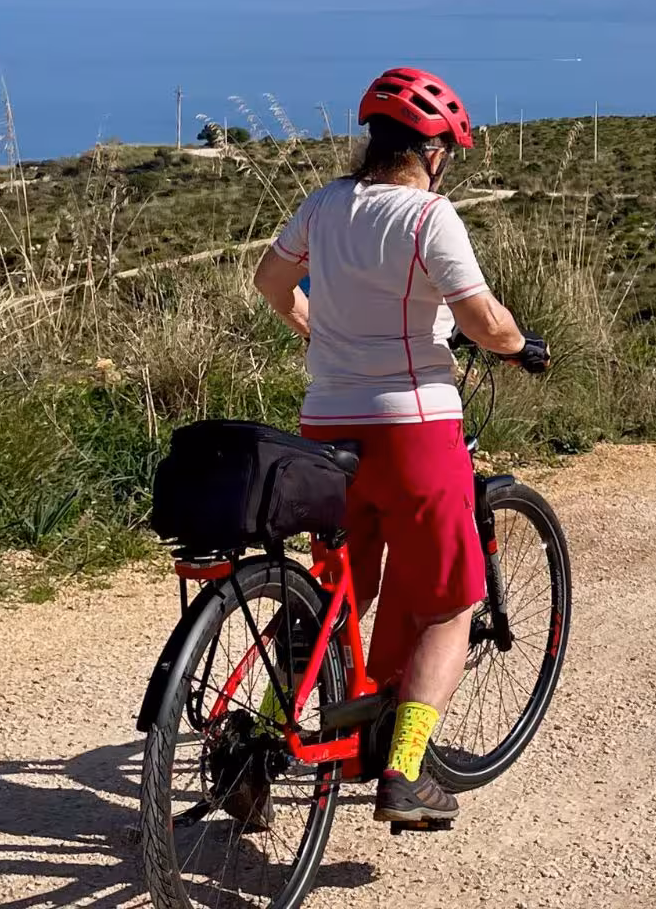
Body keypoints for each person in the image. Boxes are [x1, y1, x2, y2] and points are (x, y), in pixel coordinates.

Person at [253, 66, 548, 828]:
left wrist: (315, 330)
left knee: (334, 598)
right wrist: (519, 348)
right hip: (415, 431)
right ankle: (406, 771)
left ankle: (255, 741)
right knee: (452, 603)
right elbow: (481, 320)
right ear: (434, 150)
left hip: (325, 429)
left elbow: (269, 281)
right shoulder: (428, 216)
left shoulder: (322, 205)